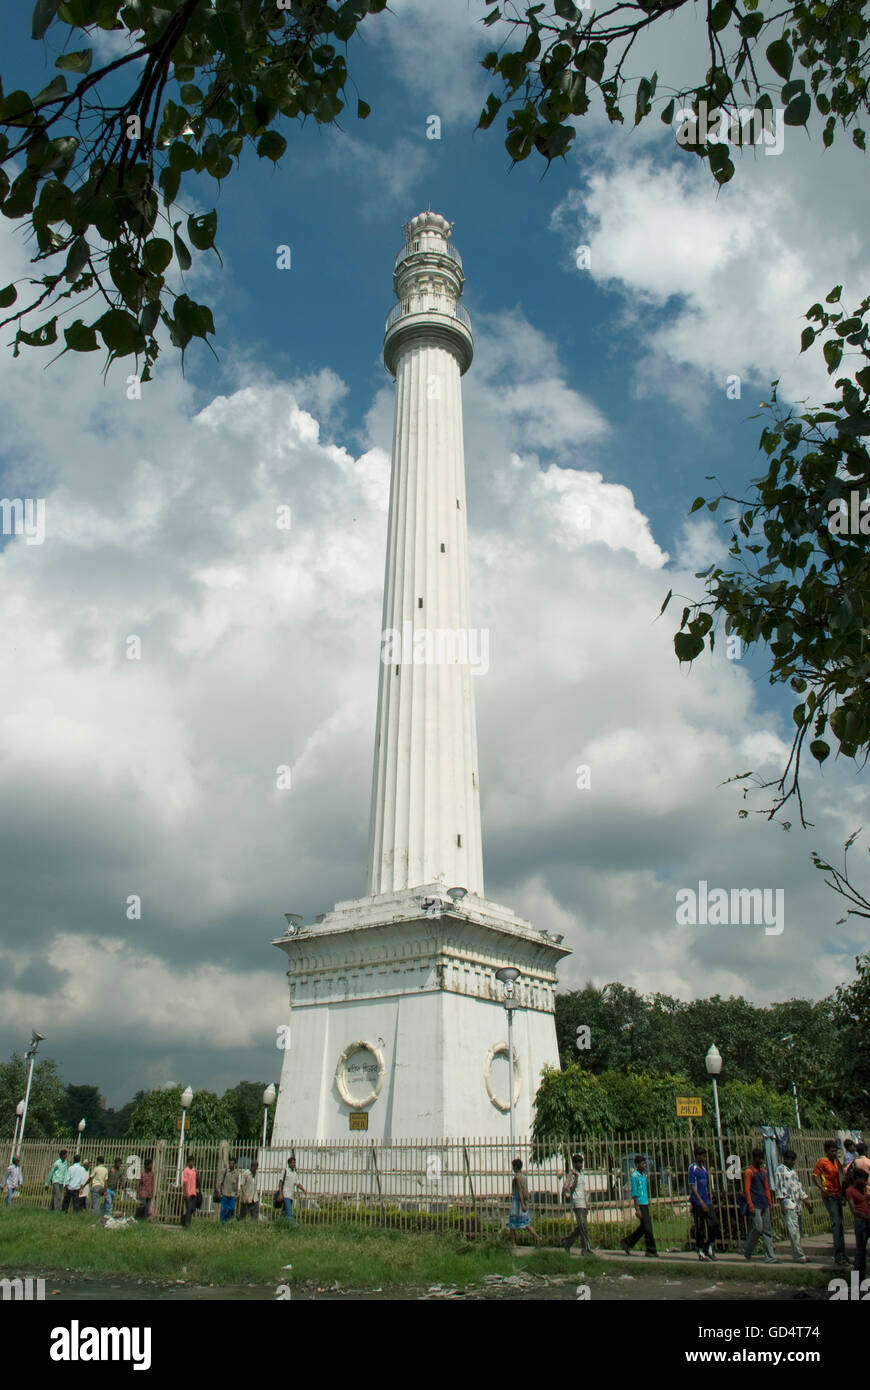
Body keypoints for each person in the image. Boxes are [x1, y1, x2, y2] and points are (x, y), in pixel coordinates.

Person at [812, 1140, 848, 1265]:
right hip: (829, 1196)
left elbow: (841, 1178)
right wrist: (822, 1190)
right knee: (836, 1224)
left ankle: (843, 1254)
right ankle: (838, 1256)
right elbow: (815, 1176)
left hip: (838, 1195)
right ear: (826, 1151)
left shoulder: (836, 1162)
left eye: (835, 1151)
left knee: (840, 1225)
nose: (834, 1153)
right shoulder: (822, 1162)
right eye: (832, 1151)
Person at [773, 1148, 812, 1263]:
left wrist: (806, 1202)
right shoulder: (780, 1170)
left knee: (797, 1232)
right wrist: (782, 1205)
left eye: (793, 1160)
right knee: (793, 1231)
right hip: (788, 1204)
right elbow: (779, 1188)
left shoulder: (793, 1172)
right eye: (790, 1159)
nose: (792, 1162)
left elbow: (798, 1188)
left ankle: (797, 1254)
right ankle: (799, 1256)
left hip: (797, 1205)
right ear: (785, 1159)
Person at [742, 1149, 777, 1263]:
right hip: (755, 1204)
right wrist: (750, 1205)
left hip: (764, 1203)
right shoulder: (749, 1172)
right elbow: (747, 1190)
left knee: (767, 1230)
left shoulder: (763, 1172)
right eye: (757, 1158)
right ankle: (747, 1249)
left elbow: (766, 1188)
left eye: (761, 1158)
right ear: (753, 1158)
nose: (760, 1160)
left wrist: (770, 1202)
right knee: (758, 1228)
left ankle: (770, 1256)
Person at [621, 1154, 658, 1257]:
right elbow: (635, 1193)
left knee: (645, 1227)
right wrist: (637, 1208)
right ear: (637, 1164)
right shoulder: (634, 1176)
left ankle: (627, 1242)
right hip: (640, 1205)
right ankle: (650, 1250)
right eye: (642, 1163)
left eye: (645, 1163)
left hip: (645, 1203)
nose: (644, 1165)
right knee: (648, 1228)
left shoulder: (643, 1176)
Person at [688, 1147, 719, 1261]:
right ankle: (700, 1250)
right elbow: (693, 1187)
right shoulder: (693, 1168)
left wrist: (708, 1200)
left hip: (706, 1201)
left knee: (714, 1223)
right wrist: (701, 1202)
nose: (705, 1158)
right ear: (697, 1156)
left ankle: (709, 1245)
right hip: (698, 1202)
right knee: (699, 1227)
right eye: (703, 1156)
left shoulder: (704, 1169)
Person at [561, 1152, 592, 1254]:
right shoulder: (572, 1175)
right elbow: (570, 1189)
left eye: (581, 1163)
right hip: (576, 1202)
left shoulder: (582, 1174)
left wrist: (586, 1204)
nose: (580, 1165)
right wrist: (576, 1178)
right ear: (574, 1163)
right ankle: (585, 1249)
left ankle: (567, 1241)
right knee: (583, 1227)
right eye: (578, 1163)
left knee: (582, 1226)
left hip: (582, 1202)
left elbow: (583, 1189)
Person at [845, 1167, 870, 1284]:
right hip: (861, 1222)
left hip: (867, 1221)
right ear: (857, 1179)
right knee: (860, 1252)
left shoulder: (863, 1189)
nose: (865, 1183)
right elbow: (854, 1210)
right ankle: (857, 1281)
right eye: (864, 1180)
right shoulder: (850, 1190)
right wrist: (866, 1217)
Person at [509, 1157, 542, 1246]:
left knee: (512, 1224)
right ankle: (537, 1237)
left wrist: (522, 1204)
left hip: (518, 1202)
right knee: (526, 1223)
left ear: (515, 1167)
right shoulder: (524, 1177)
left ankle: (513, 1243)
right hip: (523, 1201)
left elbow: (519, 1189)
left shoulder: (517, 1178)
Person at [278, 1156, 305, 1226]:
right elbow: (280, 1182)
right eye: (293, 1163)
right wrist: (280, 1194)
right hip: (285, 1194)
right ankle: (293, 1226)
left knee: (284, 1212)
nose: (294, 1164)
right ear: (289, 1164)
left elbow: (297, 1183)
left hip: (291, 1195)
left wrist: (303, 1189)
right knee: (289, 1211)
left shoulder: (295, 1173)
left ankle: (279, 1224)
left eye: (295, 1163)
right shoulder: (285, 1171)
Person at [217, 1156, 240, 1224]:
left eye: (232, 1163)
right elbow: (219, 1182)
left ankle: (228, 1221)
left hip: (232, 1195)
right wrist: (219, 1191)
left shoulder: (236, 1173)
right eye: (230, 1163)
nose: (231, 1165)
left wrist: (236, 1194)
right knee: (223, 1209)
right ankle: (222, 1223)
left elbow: (236, 1185)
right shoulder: (225, 1171)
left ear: (235, 1164)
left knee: (232, 1209)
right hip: (225, 1194)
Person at [181, 1154, 198, 1226]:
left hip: (193, 1192)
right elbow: (184, 1182)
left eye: (193, 1161)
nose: (192, 1163)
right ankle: (187, 1223)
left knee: (193, 1209)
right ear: (188, 1162)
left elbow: (196, 1180)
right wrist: (187, 1193)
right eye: (190, 1161)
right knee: (189, 1208)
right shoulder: (186, 1170)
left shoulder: (194, 1170)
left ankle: (184, 1218)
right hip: (187, 1193)